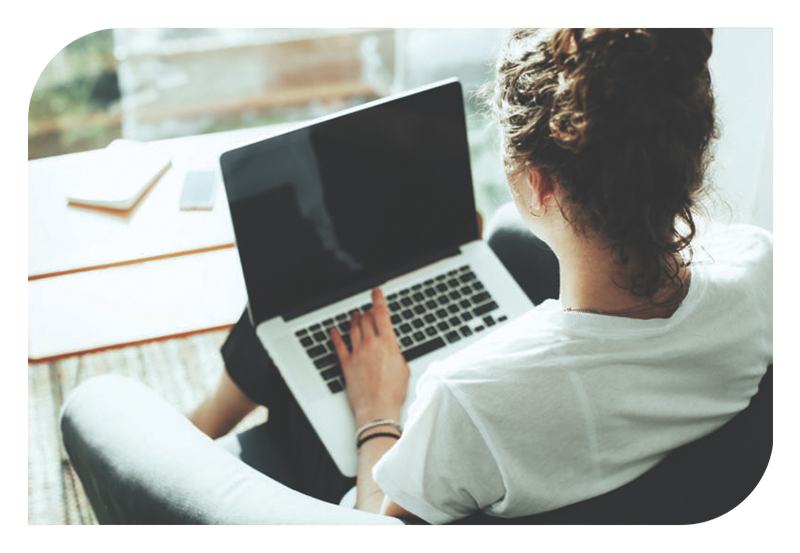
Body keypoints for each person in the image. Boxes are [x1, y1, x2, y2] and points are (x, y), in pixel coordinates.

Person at [185, 27, 772, 523]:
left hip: (359, 487)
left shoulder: (469, 400)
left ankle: (199, 430)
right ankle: (211, 416)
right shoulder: (762, 268)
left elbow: (372, 528)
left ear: (540, 182)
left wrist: (378, 413)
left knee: (302, 289)